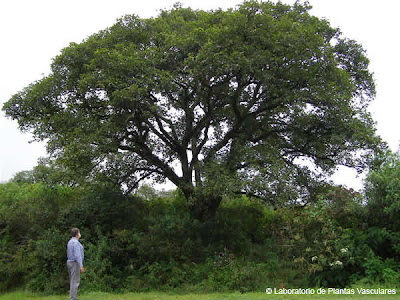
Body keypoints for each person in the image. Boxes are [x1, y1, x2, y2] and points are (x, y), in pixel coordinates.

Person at [66, 228, 84, 300]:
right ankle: (72, 298)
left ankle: (73, 297)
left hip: (69, 262)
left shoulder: (70, 241)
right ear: (77, 234)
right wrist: (81, 265)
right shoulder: (76, 243)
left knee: (72, 281)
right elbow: (77, 255)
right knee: (75, 282)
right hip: (74, 263)